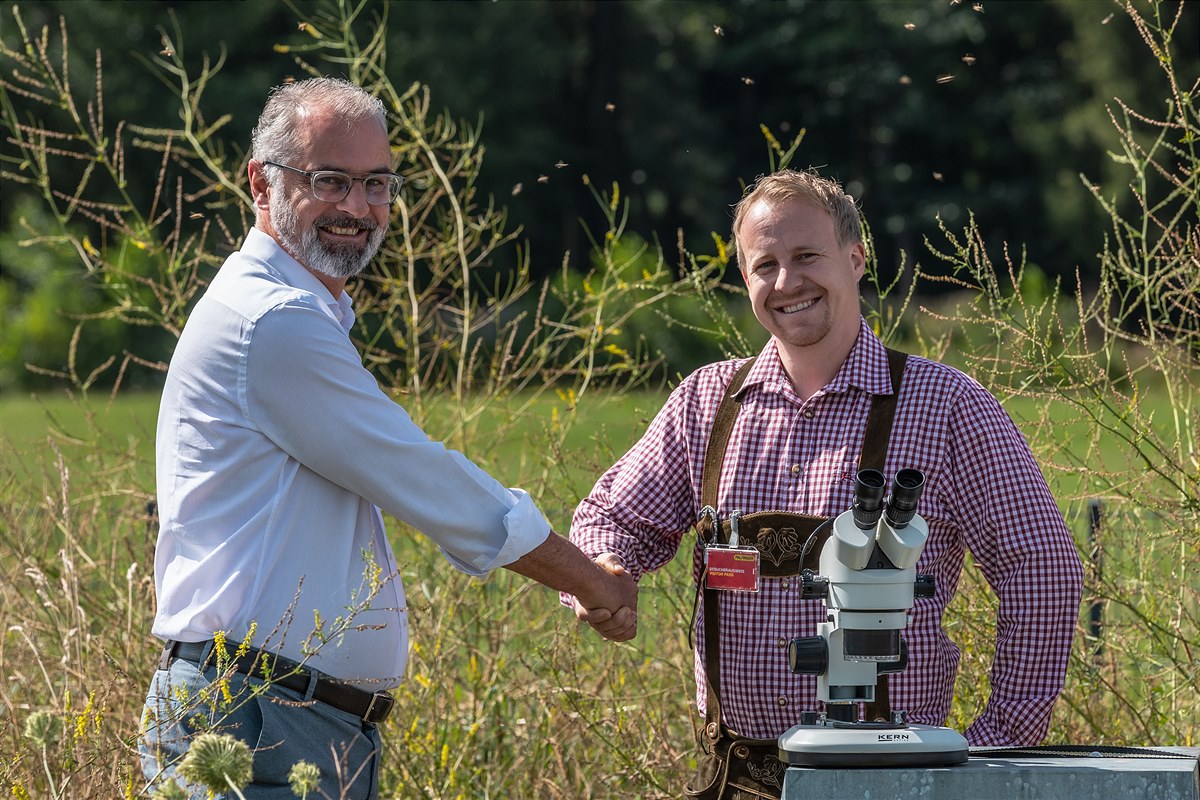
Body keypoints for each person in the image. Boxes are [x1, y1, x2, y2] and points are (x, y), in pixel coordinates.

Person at [139, 77, 636, 800]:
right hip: (253, 724)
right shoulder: (272, 321)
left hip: (283, 720)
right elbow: (429, 484)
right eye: (329, 180)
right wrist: (591, 582)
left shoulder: (293, 312)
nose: (357, 208)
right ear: (260, 181)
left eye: (376, 184)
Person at [567, 168, 1083, 798]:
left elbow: (1042, 566)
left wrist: (1000, 742)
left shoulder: (944, 405)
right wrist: (605, 572)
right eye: (766, 265)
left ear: (855, 257)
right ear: (746, 280)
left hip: (893, 779)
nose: (787, 282)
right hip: (738, 777)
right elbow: (609, 518)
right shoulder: (706, 404)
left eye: (807, 256)